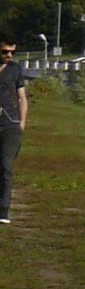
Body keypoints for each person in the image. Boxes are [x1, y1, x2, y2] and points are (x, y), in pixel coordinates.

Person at [0, 38, 25, 225]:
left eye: (12, 52)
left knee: (5, 166)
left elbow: (21, 97)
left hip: (10, 125)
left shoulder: (15, 70)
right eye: (5, 52)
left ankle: (3, 210)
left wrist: (21, 123)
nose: (9, 55)